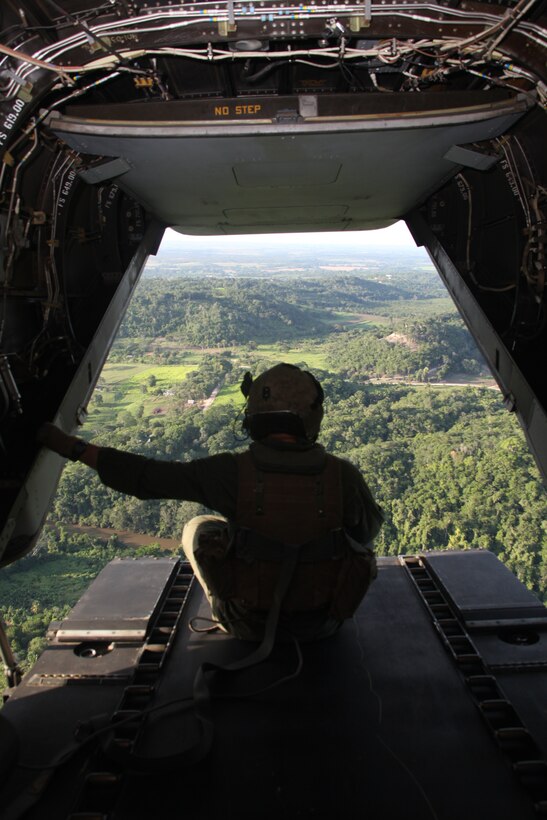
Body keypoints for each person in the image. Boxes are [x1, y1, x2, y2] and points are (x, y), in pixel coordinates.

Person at [38, 364, 383, 643]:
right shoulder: (343, 476)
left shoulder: (229, 473)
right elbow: (366, 533)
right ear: (311, 418)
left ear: (253, 419)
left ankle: (230, 599)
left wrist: (74, 448)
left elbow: (145, 476)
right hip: (322, 626)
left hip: (248, 624)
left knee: (197, 528)